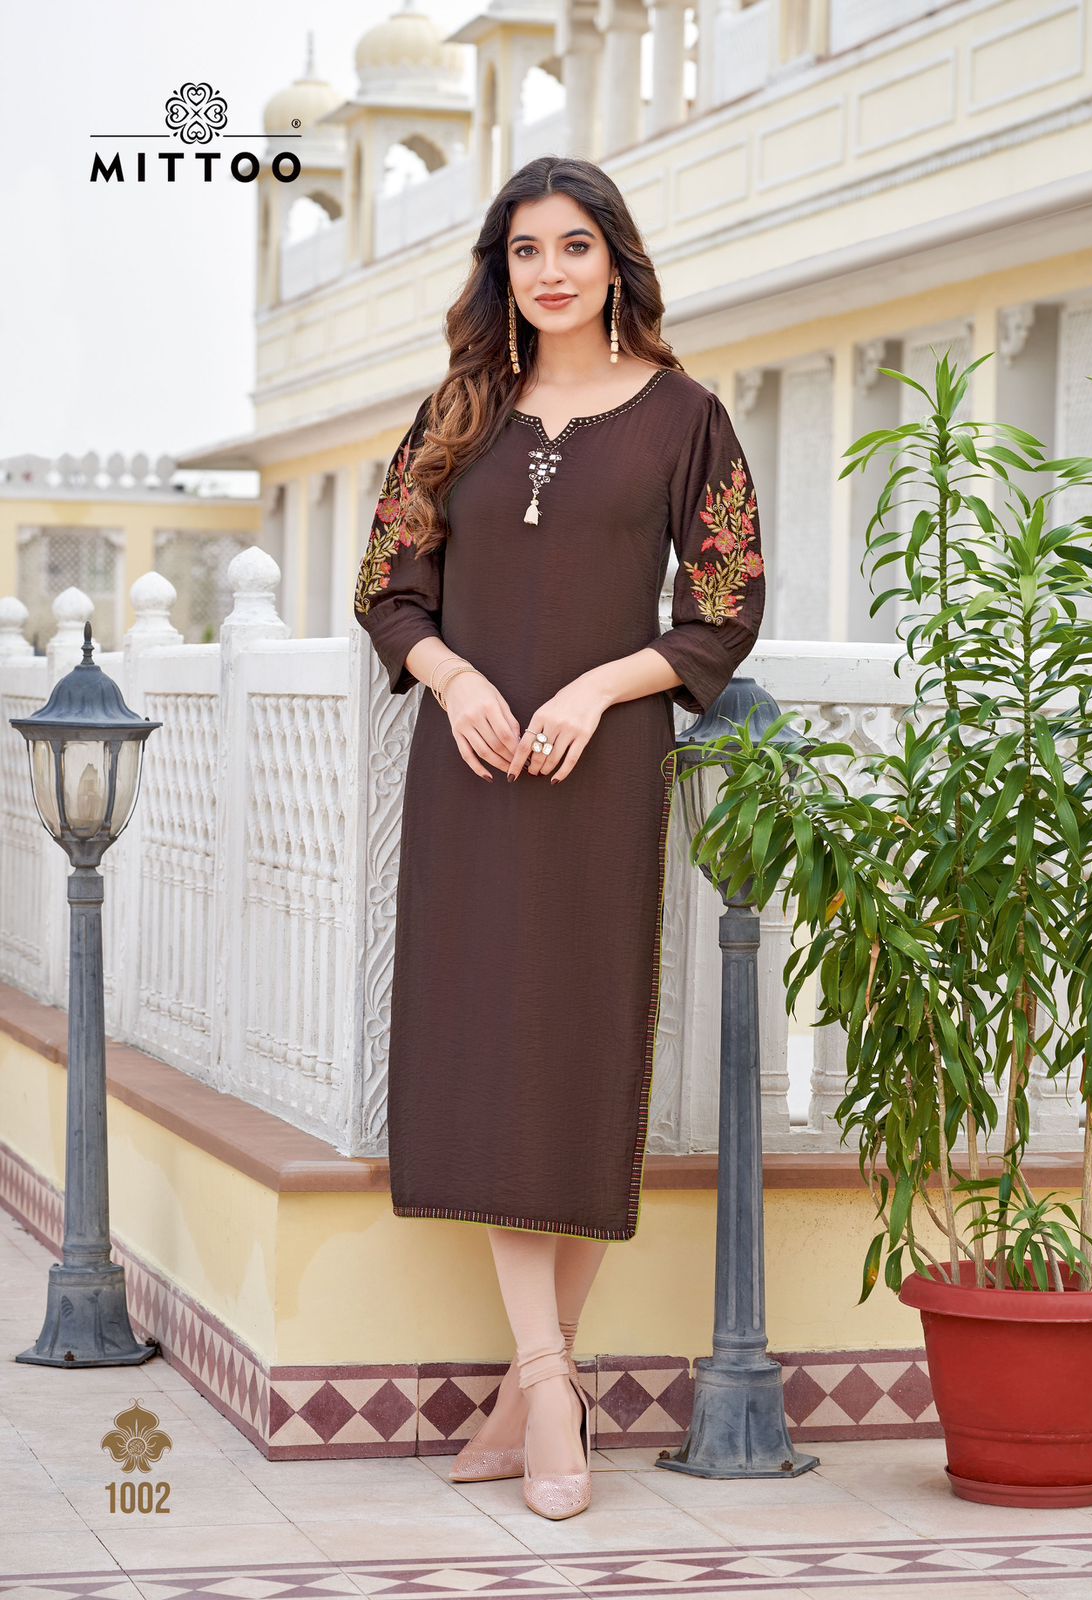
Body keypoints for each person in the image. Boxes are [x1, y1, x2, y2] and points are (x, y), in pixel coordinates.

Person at [353, 156, 766, 1520]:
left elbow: (723, 607)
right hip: (472, 779)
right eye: (525, 249)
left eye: (574, 245)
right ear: (501, 271)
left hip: (599, 778)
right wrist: (454, 680)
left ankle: (534, 1392)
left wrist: (597, 688)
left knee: (576, 1062)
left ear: (614, 262)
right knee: (485, 1062)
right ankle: (550, 1390)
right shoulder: (457, 413)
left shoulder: (685, 419)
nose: (550, 271)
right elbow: (389, 588)